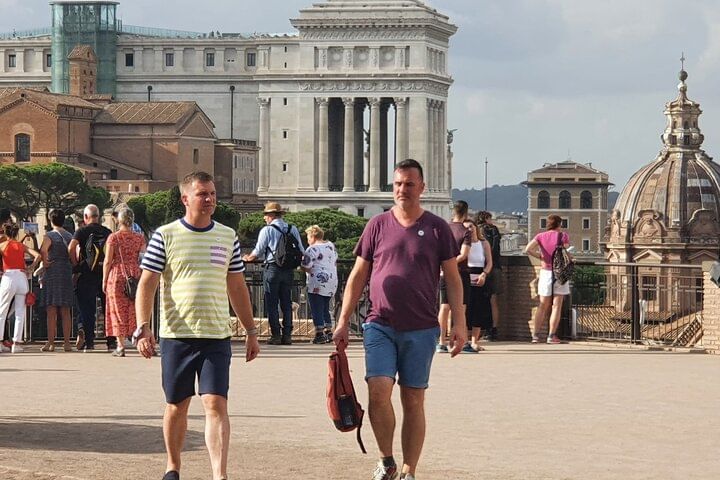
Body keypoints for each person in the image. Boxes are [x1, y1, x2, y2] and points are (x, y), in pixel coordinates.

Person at [334, 159, 467, 480]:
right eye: (397, 184)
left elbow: (452, 279)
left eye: (409, 184)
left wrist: (459, 323)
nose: (402, 189)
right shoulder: (377, 225)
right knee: (378, 390)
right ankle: (386, 459)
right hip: (379, 323)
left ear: (421, 188)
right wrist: (342, 320)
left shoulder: (437, 228)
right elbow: (358, 275)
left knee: (413, 399)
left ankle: (409, 470)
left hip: (422, 327)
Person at [134, 171, 259, 480]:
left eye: (212, 194)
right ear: (185, 199)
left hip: (216, 335)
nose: (209, 199)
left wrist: (250, 330)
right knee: (177, 404)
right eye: (203, 194)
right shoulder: (165, 235)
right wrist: (143, 327)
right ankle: (172, 466)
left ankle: (219, 475)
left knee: (216, 403)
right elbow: (147, 283)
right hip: (177, 334)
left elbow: (237, 286)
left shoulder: (227, 236)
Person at [242, 202, 304, 345]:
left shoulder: (267, 230)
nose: (264, 218)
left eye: (266, 215)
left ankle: (276, 335)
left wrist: (247, 258)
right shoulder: (292, 228)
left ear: (271, 215)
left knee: (271, 302)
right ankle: (287, 335)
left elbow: (258, 251)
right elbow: (301, 249)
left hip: (272, 268)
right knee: (286, 302)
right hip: (288, 269)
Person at [68, 204, 113, 352]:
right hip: (105, 274)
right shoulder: (107, 232)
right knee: (108, 308)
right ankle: (111, 341)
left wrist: (76, 265)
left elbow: (71, 247)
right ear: (98, 217)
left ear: (86, 217)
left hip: (86, 274)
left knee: (87, 309)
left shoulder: (81, 231)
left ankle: (89, 341)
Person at [103, 207, 145, 357]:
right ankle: (139, 341)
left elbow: (108, 261)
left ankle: (120, 346)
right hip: (135, 274)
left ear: (118, 220)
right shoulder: (140, 238)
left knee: (117, 310)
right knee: (134, 309)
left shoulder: (113, 238)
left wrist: (104, 279)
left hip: (117, 274)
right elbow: (143, 258)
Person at [524, 214, 572, 344]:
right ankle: (551, 336)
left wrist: (541, 256)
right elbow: (566, 250)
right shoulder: (563, 236)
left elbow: (528, 249)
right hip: (559, 272)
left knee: (542, 305)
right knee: (557, 305)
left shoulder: (540, 236)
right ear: (559, 224)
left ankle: (535, 336)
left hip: (545, 272)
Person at [436, 200, 471, 353]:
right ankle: (460, 341)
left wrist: (443, 265)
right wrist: (451, 263)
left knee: (444, 307)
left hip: (443, 273)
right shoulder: (465, 231)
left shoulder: (443, 229)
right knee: (461, 307)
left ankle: (441, 341)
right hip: (461, 272)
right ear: (466, 213)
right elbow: (463, 254)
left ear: (453, 211)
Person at [0, 223, 41, 353]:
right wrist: (31, 267)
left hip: (8, 277)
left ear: (5, 233)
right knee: (20, 312)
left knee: (2, 311)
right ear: (17, 233)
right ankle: (16, 343)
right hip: (21, 277)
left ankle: (0, 342)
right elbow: (38, 255)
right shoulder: (21, 246)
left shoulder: (2, 245)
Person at [39, 209, 74, 352]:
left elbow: (43, 250)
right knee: (65, 309)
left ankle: (51, 342)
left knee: (51, 309)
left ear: (51, 220)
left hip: (53, 272)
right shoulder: (70, 236)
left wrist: (45, 262)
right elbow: (73, 254)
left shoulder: (50, 235)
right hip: (66, 271)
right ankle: (67, 343)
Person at [301, 224, 338, 344]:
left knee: (316, 307)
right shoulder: (330, 245)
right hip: (331, 281)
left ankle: (319, 334)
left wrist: (301, 267)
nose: (307, 240)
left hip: (317, 282)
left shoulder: (312, 249)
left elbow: (306, 266)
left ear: (312, 236)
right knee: (325, 307)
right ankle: (329, 331)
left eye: (308, 237)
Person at [464, 220, 493, 353]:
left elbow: (489, 262)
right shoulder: (464, 243)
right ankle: (464, 340)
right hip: (466, 275)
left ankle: (475, 341)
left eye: (471, 226)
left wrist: (484, 274)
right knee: (466, 309)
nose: (469, 229)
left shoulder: (483, 243)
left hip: (479, 276)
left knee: (479, 309)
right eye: (466, 228)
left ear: (476, 227)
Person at [476, 211, 502, 341]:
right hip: (495, 266)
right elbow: (495, 248)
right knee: (493, 299)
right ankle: (494, 329)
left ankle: (480, 328)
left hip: (482, 267)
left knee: (480, 299)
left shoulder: (478, 230)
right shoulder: (495, 230)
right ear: (486, 218)